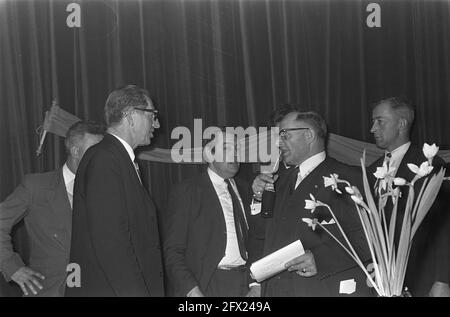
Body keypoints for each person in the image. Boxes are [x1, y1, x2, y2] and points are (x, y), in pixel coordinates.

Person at [252, 110, 372, 296]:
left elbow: (368, 239)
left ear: (308, 135)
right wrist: (259, 199)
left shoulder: (349, 178)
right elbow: (260, 235)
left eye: (284, 135)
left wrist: (321, 259)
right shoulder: (278, 182)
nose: (278, 143)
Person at [66, 85, 164, 296]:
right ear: (130, 116)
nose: (156, 123)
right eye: (152, 115)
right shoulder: (105, 159)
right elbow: (111, 244)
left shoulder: (117, 159)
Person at [0, 121, 104, 296]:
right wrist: (12, 267)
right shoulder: (36, 187)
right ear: (75, 151)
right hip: (50, 290)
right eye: (95, 151)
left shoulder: (107, 190)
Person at [163, 130, 264, 297]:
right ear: (209, 154)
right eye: (226, 148)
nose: (234, 154)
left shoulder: (247, 189)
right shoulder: (188, 191)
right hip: (206, 285)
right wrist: (190, 290)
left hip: (247, 284)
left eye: (236, 150)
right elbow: (173, 250)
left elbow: (257, 239)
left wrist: (256, 283)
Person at [369, 96, 450, 297]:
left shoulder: (429, 165)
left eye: (380, 121)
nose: (372, 129)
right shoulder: (371, 170)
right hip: (383, 281)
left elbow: (444, 225)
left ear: (402, 124)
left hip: (421, 278)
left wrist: (443, 280)